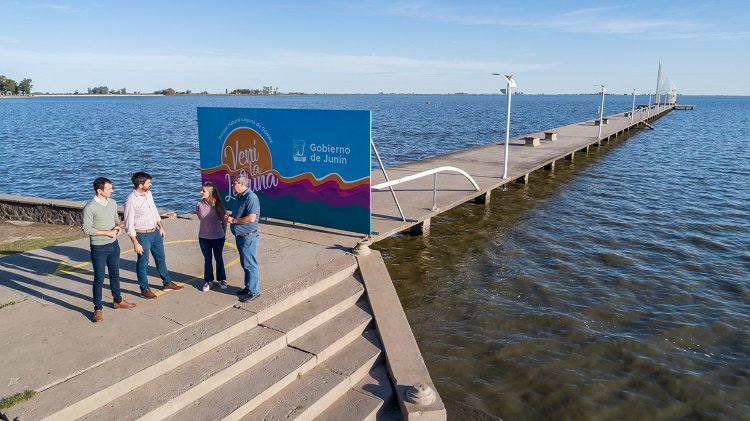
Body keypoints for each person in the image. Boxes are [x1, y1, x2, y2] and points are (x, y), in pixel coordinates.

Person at [82, 177, 136, 322]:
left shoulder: (112, 203)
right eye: (109, 189)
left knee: (115, 274)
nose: (112, 190)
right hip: (98, 247)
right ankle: (97, 309)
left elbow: (116, 220)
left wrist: (118, 227)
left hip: (114, 245)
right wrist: (107, 232)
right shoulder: (90, 207)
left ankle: (117, 301)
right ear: (99, 191)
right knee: (99, 278)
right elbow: (86, 229)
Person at [124, 171, 183, 299]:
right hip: (142, 235)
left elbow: (154, 211)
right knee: (143, 263)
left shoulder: (148, 194)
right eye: (148, 183)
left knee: (160, 258)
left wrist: (161, 227)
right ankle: (144, 289)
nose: (150, 184)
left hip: (155, 232)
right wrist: (135, 242)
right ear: (140, 185)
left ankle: (167, 282)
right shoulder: (131, 201)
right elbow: (128, 224)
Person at [226, 174, 261, 302]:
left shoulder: (251, 197)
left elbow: (251, 218)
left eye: (234, 183)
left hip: (248, 237)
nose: (232, 185)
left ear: (242, 184)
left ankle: (254, 291)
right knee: (245, 264)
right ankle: (248, 287)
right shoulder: (240, 197)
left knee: (250, 264)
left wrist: (233, 220)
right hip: (240, 237)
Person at [197, 181, 227, 292]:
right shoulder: (199, 204)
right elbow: (201, 218)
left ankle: (221, 279)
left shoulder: (219, 206)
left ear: (210, 192)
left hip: (218, 237)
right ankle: (208, 280)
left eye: (203, 191)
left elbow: (224, 222)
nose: (201, 192)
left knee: (218, 258)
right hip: (203, 237)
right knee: (207, 259)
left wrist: (223, 234)